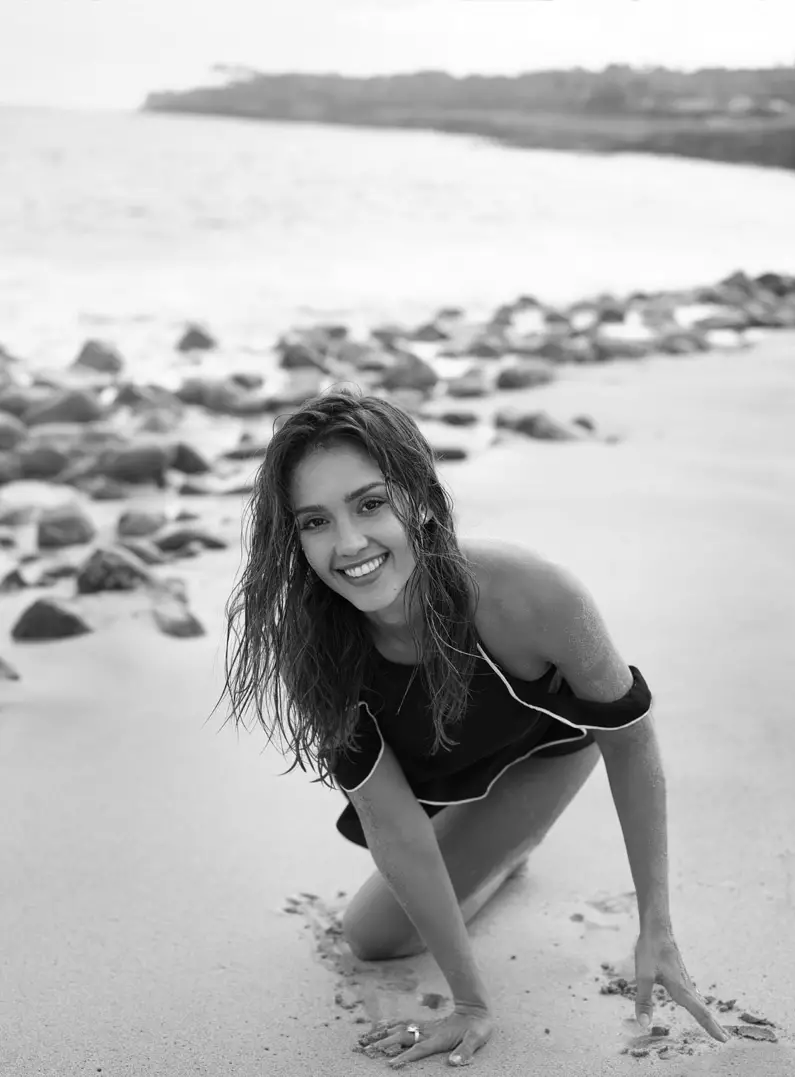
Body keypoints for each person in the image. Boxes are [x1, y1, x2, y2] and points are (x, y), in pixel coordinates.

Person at [221, 386, 728, 1069]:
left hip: (543, 754)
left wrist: (656, 928)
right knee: (370, 936)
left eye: (371, 503)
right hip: (441, 764)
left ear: (420, 499)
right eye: (315, 521)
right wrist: (471, 1001)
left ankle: (512, 841)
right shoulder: (315, 647)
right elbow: (394, 824)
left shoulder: (530, 591)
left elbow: (629, 737)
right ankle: (497, 853)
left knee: (379, 924)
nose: (349, 543)